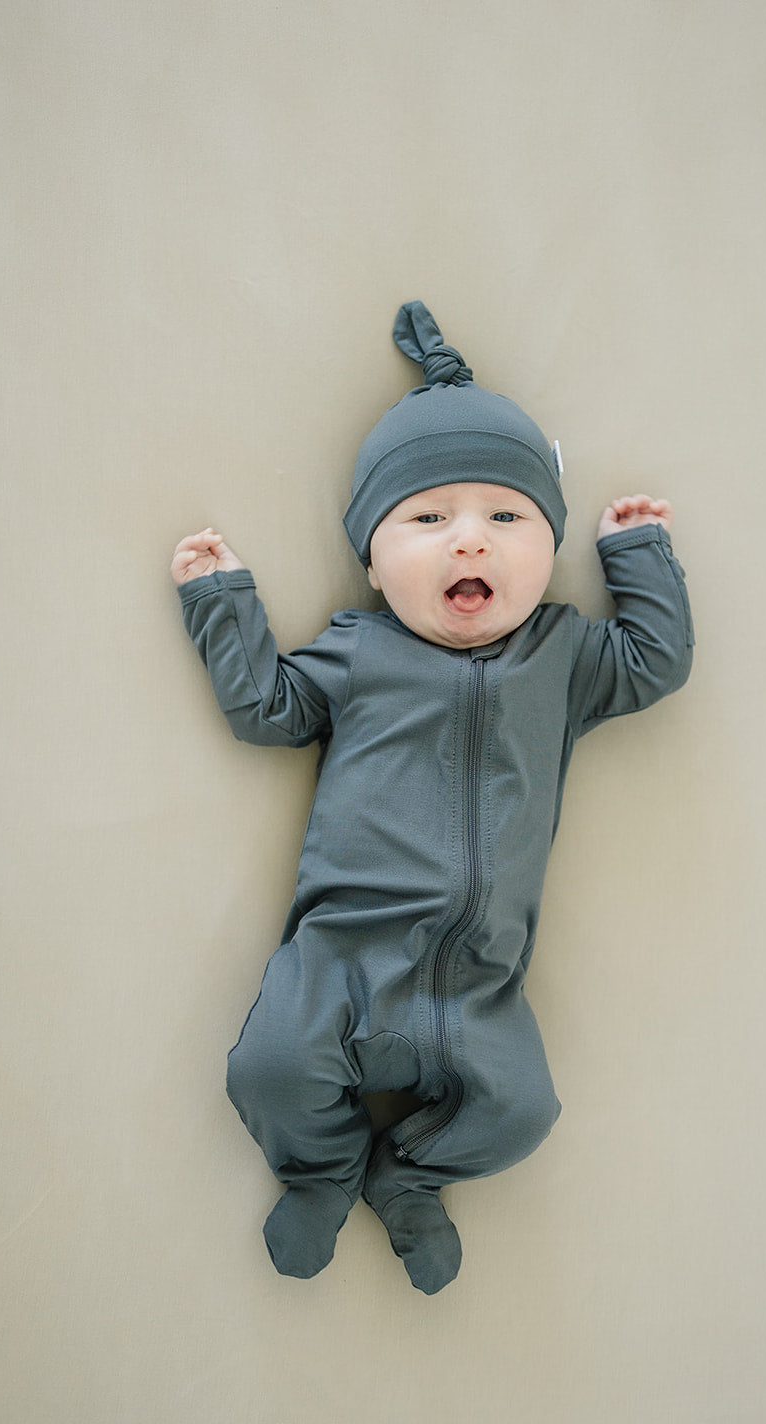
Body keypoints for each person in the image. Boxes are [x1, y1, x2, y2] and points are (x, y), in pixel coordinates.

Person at [172, 301, 694, 1294]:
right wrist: (220, 602)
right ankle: (322, 1168)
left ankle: (404, 1178)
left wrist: (635, 559)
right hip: (337, 956)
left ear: (547, 549)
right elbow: (267, 708)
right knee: (267, 1070)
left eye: (507, 518)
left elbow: (652, 664)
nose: (471, 544)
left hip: (477, 983)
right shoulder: (360, 649)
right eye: (427, 519)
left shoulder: (566, 656)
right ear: (372, 558)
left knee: (522, 1113)